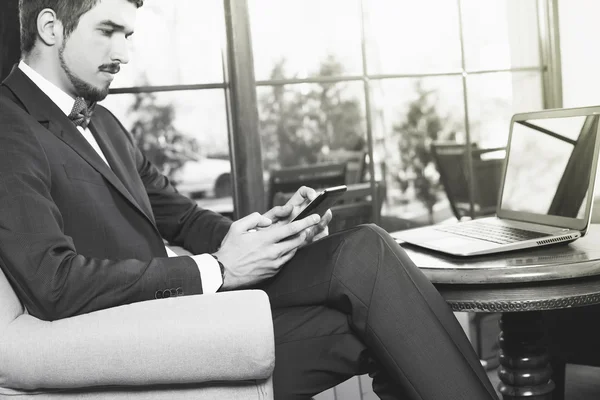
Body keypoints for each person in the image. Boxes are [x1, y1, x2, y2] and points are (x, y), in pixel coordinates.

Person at [0, 1, 498, 399]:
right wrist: (218, 269)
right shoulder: (9, 123)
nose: (124, 53)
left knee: (378, 323)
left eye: (128, 36)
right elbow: (53, 282)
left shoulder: (102, 122)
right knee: (366, 253)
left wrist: (267, 231)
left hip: (175, 312)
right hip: (133, 332)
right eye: (107, 31)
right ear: (50, 27)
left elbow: (184, 216)